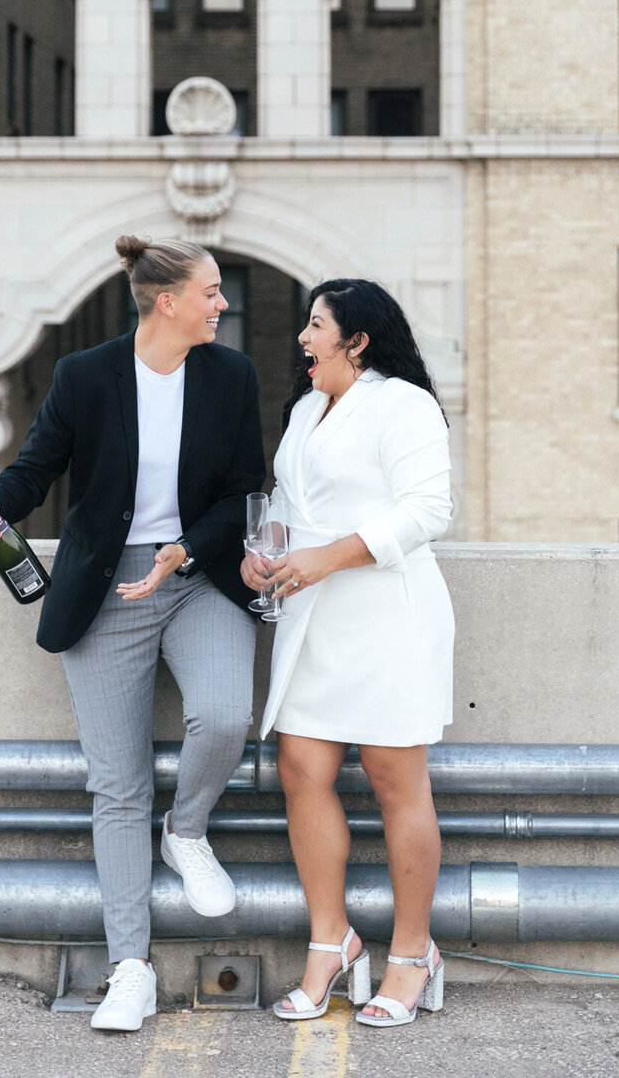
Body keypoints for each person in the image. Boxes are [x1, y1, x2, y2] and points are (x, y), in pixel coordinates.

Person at [0, 235, 264, 1034]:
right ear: (167, 301)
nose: (220, 304)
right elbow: (36, 469)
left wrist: (186, 549)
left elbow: (244, 493)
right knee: (116, 785)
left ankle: (186, 831)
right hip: (106, 590)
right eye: (211, 292)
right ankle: (131, 967)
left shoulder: (229, 375)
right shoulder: (85, 376)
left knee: (226, 715)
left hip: (197, 577)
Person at [243, 278, 455, 1031]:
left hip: (388, 617)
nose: (303, 338)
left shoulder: (405, 405)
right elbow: (285, 505)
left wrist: (328, 557)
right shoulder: (304, 410)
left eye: (316, 325)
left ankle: (412, 953)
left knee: (398, 782)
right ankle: (330, 943)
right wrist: (261, 555)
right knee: (302, 770)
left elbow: (429, 509)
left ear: (357, 340)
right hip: (312, 616)